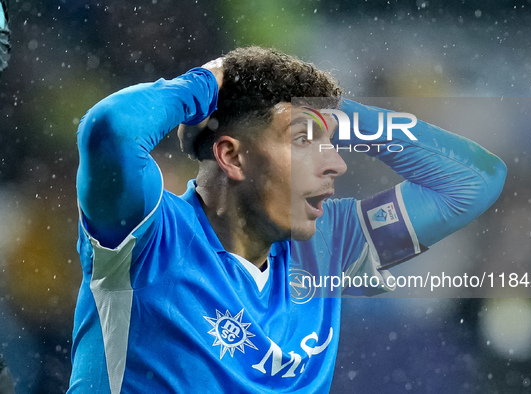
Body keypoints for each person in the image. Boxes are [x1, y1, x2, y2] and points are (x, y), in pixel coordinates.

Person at [70, 46, 506, 393]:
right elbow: (111, 129)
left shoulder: (329, 247)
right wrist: (205, 83)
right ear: (232, 156)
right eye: (303, 140)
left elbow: (477, 180)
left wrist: (335, 115)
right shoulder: (147, 234)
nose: (336, 163)